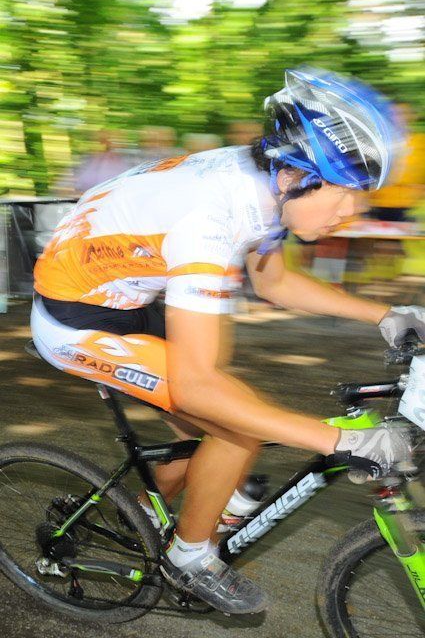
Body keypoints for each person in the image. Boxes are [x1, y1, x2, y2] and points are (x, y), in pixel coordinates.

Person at [31, 67, 420, 615]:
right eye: (347, 194)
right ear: (296, 175)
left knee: (222, 421)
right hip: (75, 321)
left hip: (126, 297)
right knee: (236, 425)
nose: (352, 212)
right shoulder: (210, 219)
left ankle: (135, 514)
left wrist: (386, 314)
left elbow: (273, 282)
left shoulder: (266, 182)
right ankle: (190, 557)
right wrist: (340, 441)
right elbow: (195, 386)